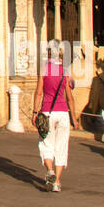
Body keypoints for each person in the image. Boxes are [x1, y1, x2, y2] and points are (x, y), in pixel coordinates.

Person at [30, 41, 78, 192]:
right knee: (61, 147)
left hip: (47, 112)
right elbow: (70, 97)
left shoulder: (44, 69)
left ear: (49, 52)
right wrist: (74, 118)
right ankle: (57, 182)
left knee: (46, 144)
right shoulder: (65, 70)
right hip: (63, 112)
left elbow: (38, 93)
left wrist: (34, 112)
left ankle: (49, 170)